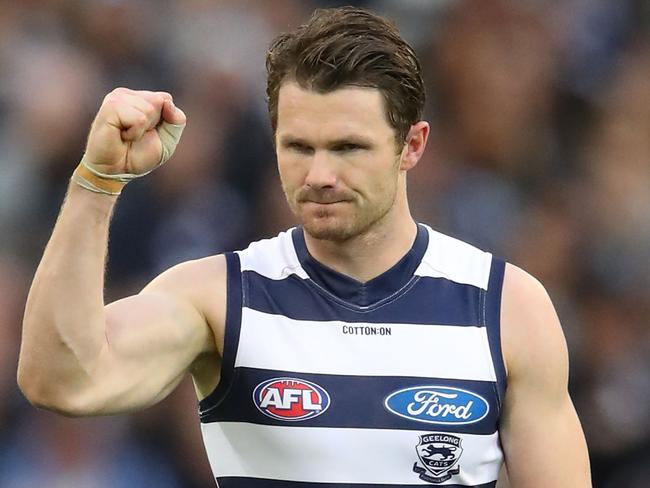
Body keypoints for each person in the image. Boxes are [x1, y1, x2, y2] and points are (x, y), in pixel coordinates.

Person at [18, 6, 591, 487]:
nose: (318, 174)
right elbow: (62, 378)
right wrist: (96, 181)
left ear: (411, 145)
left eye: (347, 147)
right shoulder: (221, 298)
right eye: (297, 146)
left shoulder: (507, 308)